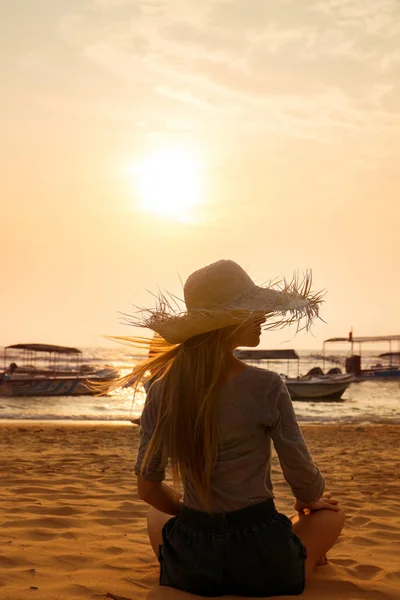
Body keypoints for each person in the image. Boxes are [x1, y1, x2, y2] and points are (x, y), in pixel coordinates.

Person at [112, 259, 344, 597]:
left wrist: (195, 516)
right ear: (228, 321)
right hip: (261, 553)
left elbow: (148, 490)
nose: (263, 316)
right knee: (331, 515)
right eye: (253, 310)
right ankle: (303, 567)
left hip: (194, 555)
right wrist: (310, 500)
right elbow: (303, 479)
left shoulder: (163, 389)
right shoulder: (266, 386)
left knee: (155, 514)